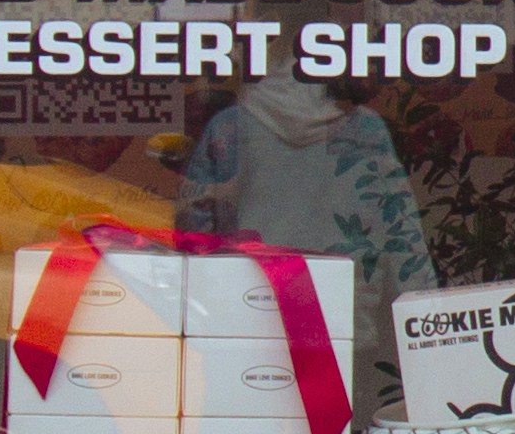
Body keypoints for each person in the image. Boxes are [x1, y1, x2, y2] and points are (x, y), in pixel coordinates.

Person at [177, 72, 440, 413]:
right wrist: (429, 324)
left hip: (245, 318)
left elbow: (191, 230)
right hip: (341, 318)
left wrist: (194, 314)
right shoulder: (366, 130)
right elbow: (403, 234)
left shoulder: (230, 127)